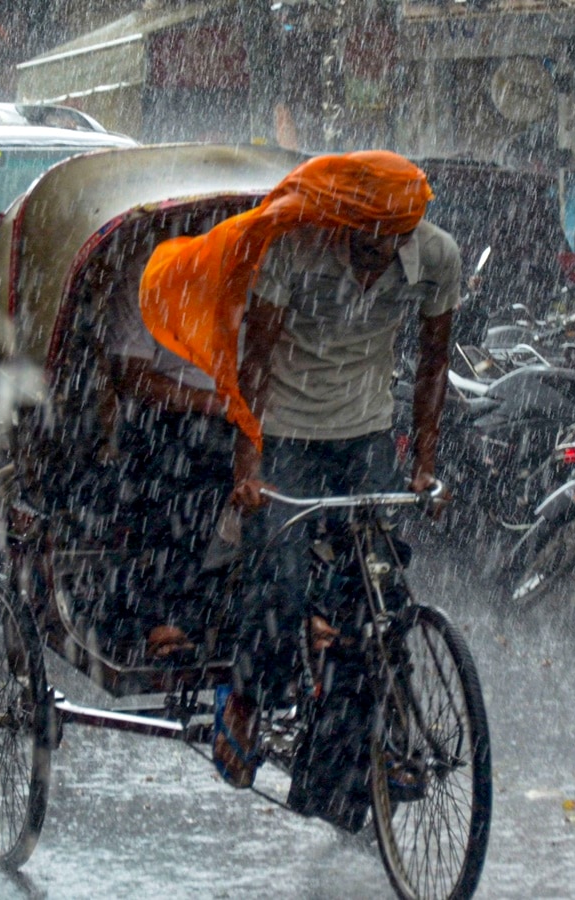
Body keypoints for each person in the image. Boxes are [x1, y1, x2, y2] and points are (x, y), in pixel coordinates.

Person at [139, 152, 459, 820]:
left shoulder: (436, 258)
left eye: (387, 248)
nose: (373, 262)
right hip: (284, 428)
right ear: (344, 224)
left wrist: (425, 462)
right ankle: (248, 705)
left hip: (366, 430)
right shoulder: (295, 249)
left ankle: (364, 748)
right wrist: (247, 465)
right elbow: (253, 364)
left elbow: (433, 365)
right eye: (363, 246)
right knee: (279, 582)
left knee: (378, 595)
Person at [99, 236, 234, 659]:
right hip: (172, 416)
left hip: (249, 408)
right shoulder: (149, 272)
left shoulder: (252, 266)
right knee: (189, 475)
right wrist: (210, 403)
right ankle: (168, 613)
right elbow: (132, 376)